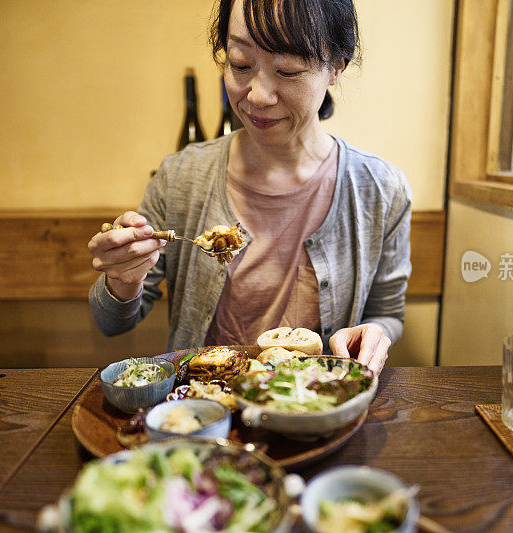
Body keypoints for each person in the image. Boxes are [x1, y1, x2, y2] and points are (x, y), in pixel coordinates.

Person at [88, 0, 411, 374]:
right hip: (205, 412)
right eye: (240, 64)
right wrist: (122, 279)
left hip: (314, 409)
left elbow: (387, 314)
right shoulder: (181, 177)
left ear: (336, 66)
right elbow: (111, 322)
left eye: (287, 71)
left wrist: (375, 333)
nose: (257, 95)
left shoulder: (382, 190)